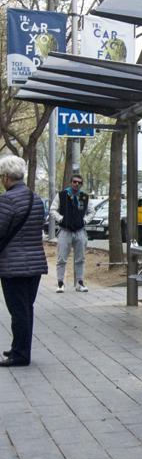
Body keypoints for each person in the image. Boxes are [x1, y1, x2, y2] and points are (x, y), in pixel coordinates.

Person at [0, 156, 49, 367]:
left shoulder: (7, 200)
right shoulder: (35, 199)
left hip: (13, 265)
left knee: (18, 310)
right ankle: (19, 347)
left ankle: (20, 354)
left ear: (6, 177)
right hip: (35, 263)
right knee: (26, 308)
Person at [50, 172, 91, 292]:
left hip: (80, 231)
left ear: (81, 184)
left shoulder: (84, 196)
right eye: (74, 182)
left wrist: (85, 221)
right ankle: (60, 283)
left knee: (80, 259)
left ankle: (80, 283)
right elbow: (53, 209)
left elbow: (91, 211)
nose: (76, 184)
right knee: (61, 258)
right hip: (65, 231)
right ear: (70, 182)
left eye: (79, 183)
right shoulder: (61, 195)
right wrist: (60, 219)